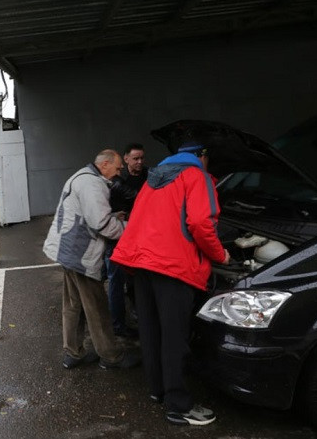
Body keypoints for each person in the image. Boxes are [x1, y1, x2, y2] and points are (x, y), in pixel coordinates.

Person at [111, 141, 230, 426]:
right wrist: (220, 255)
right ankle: (178, 405)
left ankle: (158, 391)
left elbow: (139, 219)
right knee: (175, 337)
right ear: (201, 157)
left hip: (142, 264)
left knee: (151, 331)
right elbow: (202, 223)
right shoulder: (196, 176)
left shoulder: (154, 181)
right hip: (172, 267)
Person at [43, 149, 140, 370]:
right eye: (117, 168)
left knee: (72, 305)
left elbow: (86, 215)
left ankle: (73, 353)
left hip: (67, 251)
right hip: (81, 254)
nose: (119, 172)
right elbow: (101, 225)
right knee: (96, 307)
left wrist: (114, 216)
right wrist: (131, 227)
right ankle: (111, 356)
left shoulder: (81, 177)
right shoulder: (92, 184)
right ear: (105, 164)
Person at [106, 143, 148, 337]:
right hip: (126, 235)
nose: (139, 162)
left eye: (141, 158)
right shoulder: (120, 183)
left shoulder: (150, 177)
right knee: (124, 278)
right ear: (126, 159)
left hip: (146, 233)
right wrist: (116, 216)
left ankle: (139, 310)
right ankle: (127, 316)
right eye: (135, 158)